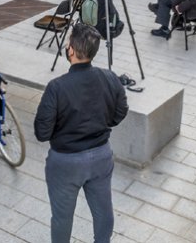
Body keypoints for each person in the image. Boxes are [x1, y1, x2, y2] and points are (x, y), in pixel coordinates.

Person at [34, 23, 128, 243]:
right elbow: (121, 111)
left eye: (68, 42)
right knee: (104, 212)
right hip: (101, 156)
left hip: (65, 162)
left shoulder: (56, 87)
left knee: (62, 217)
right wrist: (104, 123)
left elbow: (42, 132)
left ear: (71, 51)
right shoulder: (110, 77)